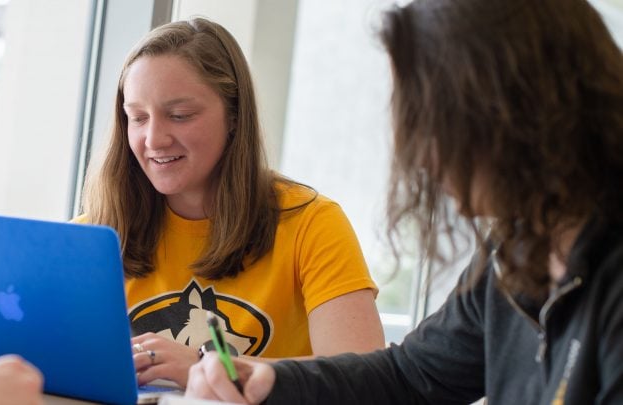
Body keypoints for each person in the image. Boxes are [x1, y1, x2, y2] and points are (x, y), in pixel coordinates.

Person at [185, 0, 623, 403]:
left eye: (432, 124)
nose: (421, 159)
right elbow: (410, 376)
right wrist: (274, 381)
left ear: (516, 111)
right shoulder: (516, 247)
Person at [78, 17, 385, 388]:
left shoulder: (312, 223)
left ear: (235, 116)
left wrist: (201, 364)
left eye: (180, 115)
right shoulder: (90, 238)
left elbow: (363, 380)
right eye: (138, 118)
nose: (154, 139)